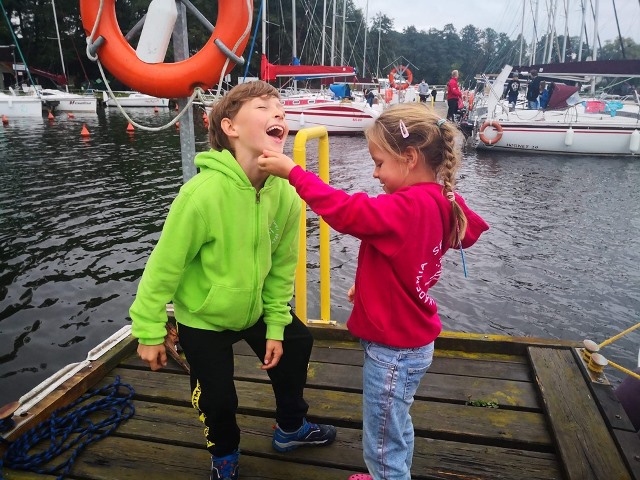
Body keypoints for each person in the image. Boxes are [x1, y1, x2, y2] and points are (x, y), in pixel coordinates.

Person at [257, 102, 489, 480]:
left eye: (379, 163)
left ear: (409, 158)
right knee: (394, 424)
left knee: (381, 437)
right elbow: (413, 254)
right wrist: (368, 285)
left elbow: (346, 211)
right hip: (412, 341)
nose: (375, 173)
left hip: (392, 351)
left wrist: (294, 173)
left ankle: (388, 476)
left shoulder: (406, 206)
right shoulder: (441, 200)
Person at [130, 80, 337, 480]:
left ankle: (291, 428)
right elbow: (163, 268)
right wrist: (149, 331)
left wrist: (275, 325)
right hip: (203, 317)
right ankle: (224, 455)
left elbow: (281, 269)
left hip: (255, 306)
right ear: (230, 127)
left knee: (296, 343)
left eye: (280, 109)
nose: (278, 113)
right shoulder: (201, 195)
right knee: (217, 398)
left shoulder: (286, 194)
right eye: (263, 107)